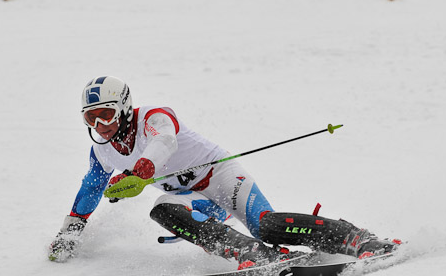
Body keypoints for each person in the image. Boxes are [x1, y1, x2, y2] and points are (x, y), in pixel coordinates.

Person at [49, 76, 400, 266]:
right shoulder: (102, 151)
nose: (100, 124)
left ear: (124, 109)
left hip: (220, 177)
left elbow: (164, 142)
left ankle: (354, 237)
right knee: (161, 209)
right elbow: (90, 188)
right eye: (91, 118)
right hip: (189, 196)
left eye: (106, 114)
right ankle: (251, 253)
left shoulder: (154, 116)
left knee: (266, 224)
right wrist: (71, 231)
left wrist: (141, 172)